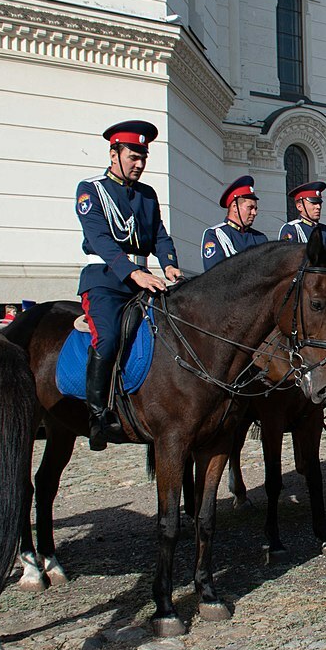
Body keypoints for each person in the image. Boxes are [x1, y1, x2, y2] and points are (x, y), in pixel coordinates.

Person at [76, 120, 181, 451]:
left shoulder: (147, 195)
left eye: (143, 158)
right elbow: (101, 240)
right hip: (106, 281)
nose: (139, 164)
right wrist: (132, 273)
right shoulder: (91, 190)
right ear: (113, 153)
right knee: (106, 339)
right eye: (132, 156)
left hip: (144, 279)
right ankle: (97, 416)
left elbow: (159, 235)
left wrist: (169, 263)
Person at [201, 175, 267, 272]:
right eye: (250, 208)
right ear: (235, 207)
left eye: (255, 209)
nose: (254, 213)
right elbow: (215, 276)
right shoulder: (216, 235)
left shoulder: (260, 238)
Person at [278, 181, 326, 246]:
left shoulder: (325, 230)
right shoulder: (291, 229)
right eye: (313, 203)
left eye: (319, 203)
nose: (318, 207)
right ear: (299, 206)